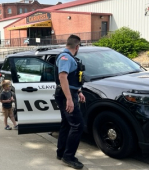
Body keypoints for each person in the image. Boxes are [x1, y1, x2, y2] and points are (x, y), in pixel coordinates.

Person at [54, 35, 86, 169]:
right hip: (65, 95)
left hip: (69, 93)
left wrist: (78, 92)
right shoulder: (65, 57)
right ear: (77, 46)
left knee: (67, 124)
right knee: (78, 125)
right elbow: (62, 77)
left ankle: (61, 152)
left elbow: (72, 79)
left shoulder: (69, 57)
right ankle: (68, 156)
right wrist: (69, 99)